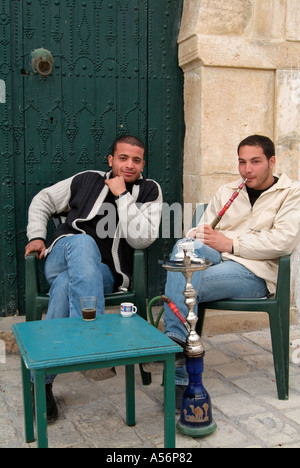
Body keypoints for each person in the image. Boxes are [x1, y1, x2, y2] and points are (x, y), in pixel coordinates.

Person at [25, 135, 163, 421]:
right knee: (83, 242)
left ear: (142, 164)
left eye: (136, 160)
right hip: (62, 254)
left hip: (104, 274)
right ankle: (94, 345)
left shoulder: (149, 191)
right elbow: (43, 200)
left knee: (65, 286)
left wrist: (122, 195)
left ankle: (41, 384)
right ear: (110, 160)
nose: (129, 165)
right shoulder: (86, 179)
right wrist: (37, 235)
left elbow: (141, 240)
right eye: (123, 158)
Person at [163, 134, 300, 411]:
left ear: (271, 162)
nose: (247, 169)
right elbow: (197, 234)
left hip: (256, 273)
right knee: (184, 247)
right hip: (217, 260)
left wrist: (231, 243)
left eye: (255, 162)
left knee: (185, 286)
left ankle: (178, 378)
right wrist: (200, 236)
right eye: (242, 162)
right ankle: (176, 342)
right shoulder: (227, 191)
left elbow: (284, 241)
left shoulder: (291, 193)